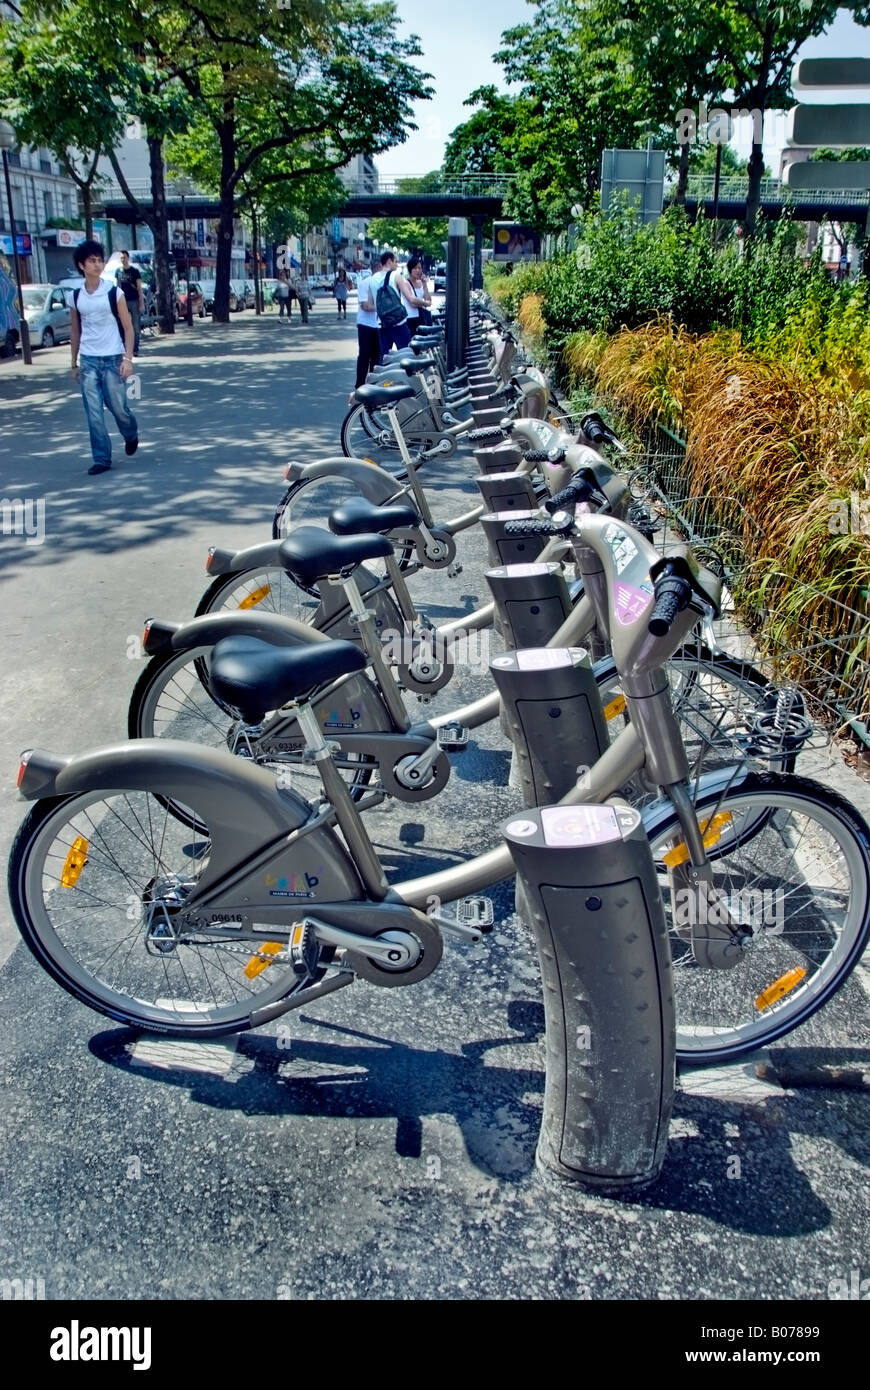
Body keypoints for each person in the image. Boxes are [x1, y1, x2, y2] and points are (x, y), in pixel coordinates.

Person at [69, 239, 139, 476]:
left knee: (119, 408)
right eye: (92, 261)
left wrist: (128, 360)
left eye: (100, 260)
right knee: (94, 412)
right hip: (88, 360)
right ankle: (101, 458)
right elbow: (75, 330)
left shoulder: (113, 292)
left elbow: (128, 328)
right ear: (82, 265)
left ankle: (130, 433)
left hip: (112, 359)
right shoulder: (76, 296)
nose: (97, 264)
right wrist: (74, 363)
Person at [368, 250, 414, 356]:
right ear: (389, 261)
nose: (397, 265)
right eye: (395, 262)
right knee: (407, 355)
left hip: (382, 324)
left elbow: (368, 305)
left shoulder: (372, 280)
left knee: (384, 358)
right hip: (399, 323)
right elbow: (411, 299)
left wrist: (383, 309)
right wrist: (425, 303)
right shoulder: (396, 275)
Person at [353, 267, 381, 397]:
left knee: (374, 356)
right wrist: (382, 307)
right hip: (366, 324)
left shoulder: (380, 283)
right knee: (365, 355)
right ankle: (361, 385)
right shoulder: (366, 283)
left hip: (376, 324)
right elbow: (365, 306)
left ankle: (371, 384)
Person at [115, 249, 145, 356]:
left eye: (124, 257)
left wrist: (141, 303)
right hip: (123, 301)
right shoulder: (118, 272)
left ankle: (135, 349)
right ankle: (125, 347)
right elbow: (117, 287)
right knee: (122, 325)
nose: (123, 260)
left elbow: (139, 288)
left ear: (128, 258)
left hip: (134, 301)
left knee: (135, 326)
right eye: (121, 258)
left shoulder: (134, 272)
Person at [405, 255, 432, 327]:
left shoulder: (421, 283)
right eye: (415, 268)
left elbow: (428, 299)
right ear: (410, 269)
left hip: (421, 317)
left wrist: (424, 284)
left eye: (419, 268)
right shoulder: (405, 283)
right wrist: (426, 304)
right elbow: (413, 303)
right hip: (409, 318)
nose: (418, 270)